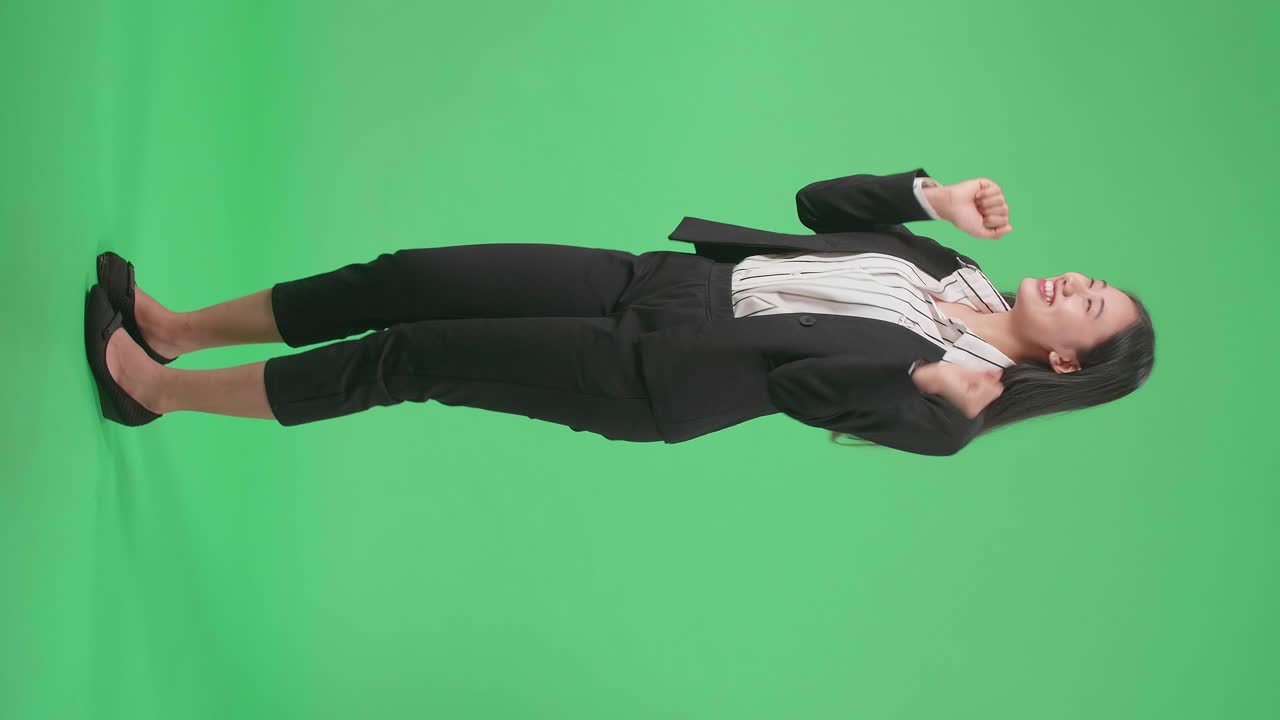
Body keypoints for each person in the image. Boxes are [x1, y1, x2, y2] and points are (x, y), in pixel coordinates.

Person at [85, 168, 1156, 456]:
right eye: (1090, 277)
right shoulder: (945, 269)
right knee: (406, 276)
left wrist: (932, 397)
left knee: (404, 357)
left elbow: (810, 390)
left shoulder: (955, 397)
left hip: (654, 373)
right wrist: (927, 199)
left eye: (1089, 308)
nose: (1074, 284)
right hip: (656, 279)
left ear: (1065, 366)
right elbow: (815, 211)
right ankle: (178, 329)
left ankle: (158, 391)